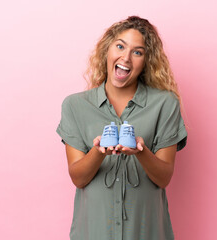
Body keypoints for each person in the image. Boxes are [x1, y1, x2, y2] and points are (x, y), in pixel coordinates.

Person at [56, 16, 187, 240]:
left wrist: (141, 152)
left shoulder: (165, 104)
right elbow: (78, 177)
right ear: (107, 50)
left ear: (146, 61)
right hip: (93, 232)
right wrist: (98, 153)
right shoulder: (75, 106)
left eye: (138, 52)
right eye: (120, 46)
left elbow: (164, 177)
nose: (125, 57)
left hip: (147, 232)